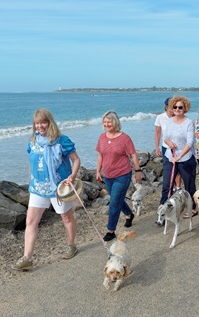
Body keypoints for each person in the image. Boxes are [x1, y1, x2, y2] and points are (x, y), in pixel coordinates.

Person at [11, 108, 81, 271]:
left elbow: (76, 160)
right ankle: (27, 258)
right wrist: (30, 179)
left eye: (43, 122)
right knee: (30, 222)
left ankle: (71, 245)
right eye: (37, 123)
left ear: (50, 122)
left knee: (66, 217)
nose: (40, 126)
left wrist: (72, 176)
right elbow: (32, 162)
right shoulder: (33, 141)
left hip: (58, 188)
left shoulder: (62, 141)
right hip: (37, 188)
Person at [96, 111, 142, 242]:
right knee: (118, 199)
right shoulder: (102, 137)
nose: (106, 124)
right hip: (108, 176)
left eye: (109, 122)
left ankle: (111, 231)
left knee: (114, 203)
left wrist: (138, 171)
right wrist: (98, 171)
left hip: (122, 175)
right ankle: (129, 214)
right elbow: (100, 155)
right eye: (104, 122)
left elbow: (133, 155)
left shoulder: (124, 138)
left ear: (115, 122)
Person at [160, 95, 198, 218]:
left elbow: (190, 142)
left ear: (185, 108)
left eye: (180, 107)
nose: (177, 109)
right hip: (170, 156)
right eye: (175, 107)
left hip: (185, 158)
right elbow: (165, 137)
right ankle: (163, 210)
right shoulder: (169, 121)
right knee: (167, 185)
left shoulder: (188, 123)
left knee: (189, 185)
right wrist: (169, 143)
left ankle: (192, 207)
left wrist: (179, 156)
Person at [154, 97, 182, 188]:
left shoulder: (178, 116)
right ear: (166, 107)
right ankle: (172, 187)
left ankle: (178, 187)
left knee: (178, 167)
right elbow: (158, 133)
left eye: (174, 107)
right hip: (166, 147)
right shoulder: (160, 117)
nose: (172, 109)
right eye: (170, 107)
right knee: (169, 169)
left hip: (178, 147)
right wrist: (157, 147)